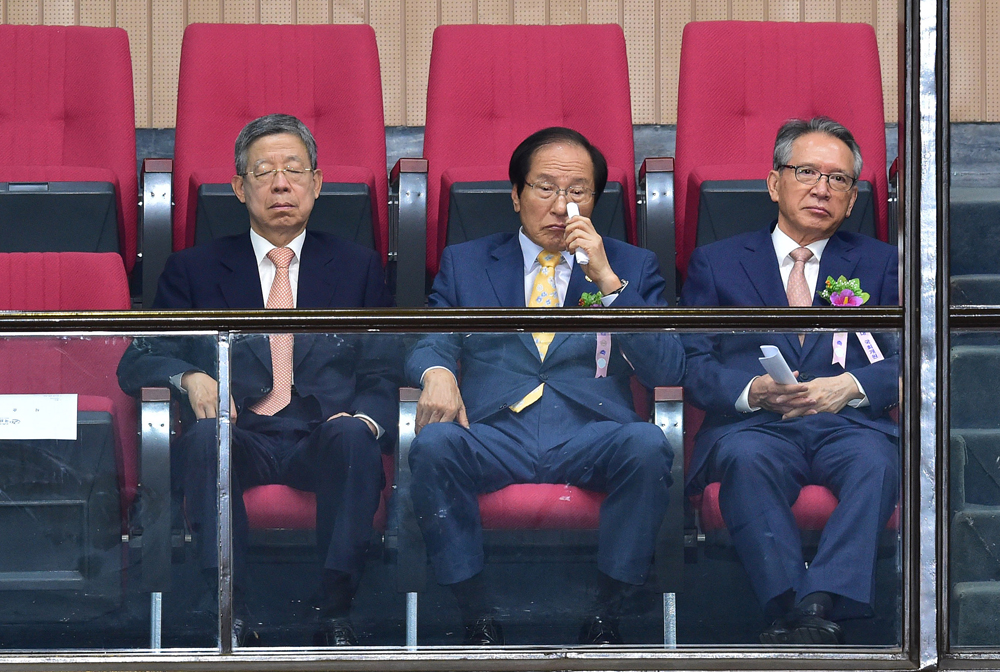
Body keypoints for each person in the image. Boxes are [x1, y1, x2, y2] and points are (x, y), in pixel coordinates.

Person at [117, 114, 397, 646]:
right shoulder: (193, 269)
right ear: (239, 188)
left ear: (317, 183)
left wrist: (365, 419)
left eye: (294, 170)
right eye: (264, 172)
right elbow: (138, 359)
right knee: (206, 437)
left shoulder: (356, 267)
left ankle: (336, 610)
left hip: (324, 434)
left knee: (353, 435)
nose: (281, 184)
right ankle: (230, 609)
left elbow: (385, 366)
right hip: (239, 432)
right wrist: (188, 376)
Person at [405, 127, 686, 646]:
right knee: (434, 445)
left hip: (591, 432)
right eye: (546, 189)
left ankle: (607, 612)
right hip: (494, 433)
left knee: (647, 444)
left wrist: (609, 284)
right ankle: (475, 612)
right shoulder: (466, 262)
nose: (561, 206)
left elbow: (667, 368)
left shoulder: (630, 265)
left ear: (595, 201)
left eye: (578, 191)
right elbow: (430, 339)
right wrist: (437, 372)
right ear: (516, 195)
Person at [680, 117, 899, 645]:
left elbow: (914, 359)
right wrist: (751, 391)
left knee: (877, 461)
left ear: (852, 199)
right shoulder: (717, 262)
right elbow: (692, 361)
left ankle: (815, 602)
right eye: (807, 172)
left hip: (849, 424)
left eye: (839, 179)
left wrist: (850, 386)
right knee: (746, 459)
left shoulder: (880, 263)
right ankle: (787, 602)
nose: (822, 189)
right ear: (774, 182)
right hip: (756, 426)